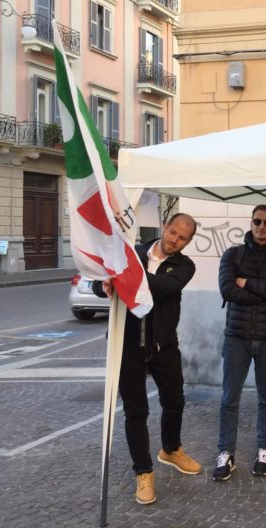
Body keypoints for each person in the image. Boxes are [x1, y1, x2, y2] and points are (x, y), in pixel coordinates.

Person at [95, 213, 201, 505]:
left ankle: (171, 449)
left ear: (188, 242)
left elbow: (166, 288)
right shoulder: (131, 252)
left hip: (163, 345)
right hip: (127, 345)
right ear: (165, 226)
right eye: (173, 232)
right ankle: (143, 473)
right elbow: (98, 283)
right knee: (136, 411)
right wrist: (105, 284)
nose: (175, 240)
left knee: (175, 401)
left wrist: (125, 276)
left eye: (182, 238)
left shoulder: (184, 265)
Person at [214, 205, 266, 481]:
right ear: (251, 222)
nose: (261, 226)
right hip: (236, 338)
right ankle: (225, 453)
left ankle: (263, 449)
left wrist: (247, 282)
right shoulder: (233, 254)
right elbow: (228, 290)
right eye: (257, 221)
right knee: (229, 398)